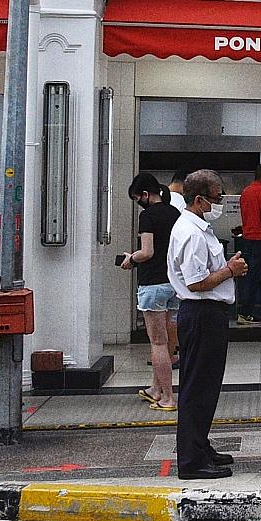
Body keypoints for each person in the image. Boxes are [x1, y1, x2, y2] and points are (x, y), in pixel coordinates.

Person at [167, 169, 247, 480]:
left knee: (205, 387)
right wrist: (230, 270)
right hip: (200, 314)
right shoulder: (190, 232)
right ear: (199, 200)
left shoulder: (198, 228)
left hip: (207, 314)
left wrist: (227, 269)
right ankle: (191, 461)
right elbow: (197, 282)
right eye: (217, 198)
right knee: (197, 389)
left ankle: (200, 447)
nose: (220, 204)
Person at [121, 173, 180, 411]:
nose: (139, 202)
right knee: (164, 341)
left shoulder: (147, 216)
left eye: (137, 198)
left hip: (153, 285)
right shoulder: (174, 213)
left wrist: (130, 259)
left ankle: (168, 397)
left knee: (157, 343)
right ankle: (156, 389)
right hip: (172, 283)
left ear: (145, 195)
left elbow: (147, 252)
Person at [236, 164, 261, 325]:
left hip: (247, 238)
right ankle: (244, 313)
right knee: (253, 277)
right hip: (259, 239)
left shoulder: (245, 192)